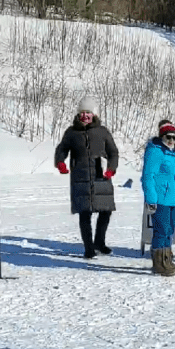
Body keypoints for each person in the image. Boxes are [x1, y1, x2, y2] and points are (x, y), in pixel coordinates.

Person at [54, 96, 119, 258]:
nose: (85, 116)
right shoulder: (71, 132)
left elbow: (113, 152)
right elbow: (61, 149)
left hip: (101, 176)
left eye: (88, 113)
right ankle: (88, 248)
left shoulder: (103, 132)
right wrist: (60, 163)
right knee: (85, 213)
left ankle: (99, 242)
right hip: (80, 177)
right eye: (82, 113)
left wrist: (111, 168)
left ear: (94, 115)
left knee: (106, 211)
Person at [141, 120, 175, 276]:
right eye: (168, 137)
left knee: (170, 230)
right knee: (161, 231)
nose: (171, 141)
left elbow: (173, 176)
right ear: (161, 136)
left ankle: (167, 260)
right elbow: (148, 176)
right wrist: (151, 199)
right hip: (161, 199)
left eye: (174, 138)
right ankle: (159, 263)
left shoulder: (173, 154)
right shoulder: (155, 151)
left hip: (174, 199)